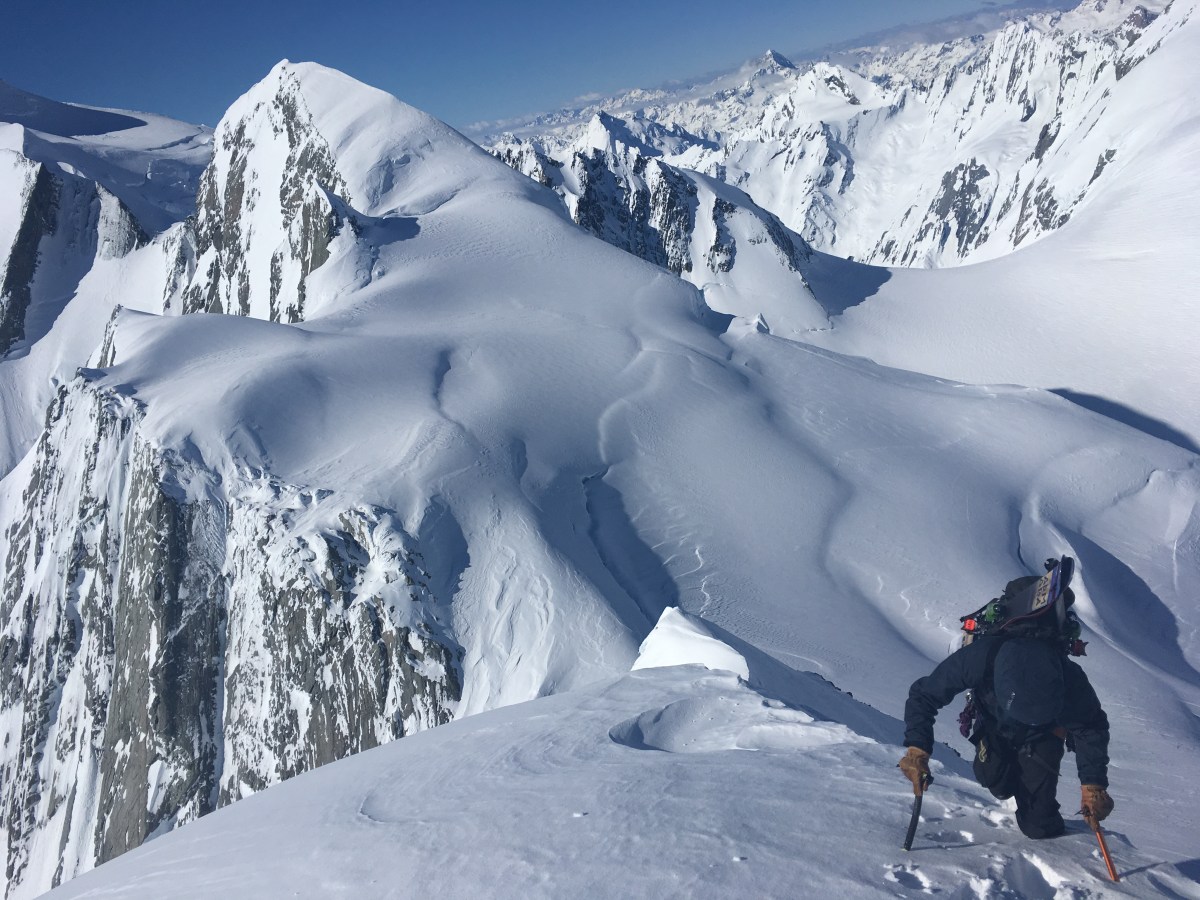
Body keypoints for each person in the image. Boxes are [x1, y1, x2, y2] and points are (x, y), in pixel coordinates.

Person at [898, 631, 1113, 839]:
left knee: (1038, 826)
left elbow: (1091, 727)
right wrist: (918, 750)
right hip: (995, 726)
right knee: (996, 782)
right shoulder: (980, 658)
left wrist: (1092, 785)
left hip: (1042, 736)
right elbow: (924, 696)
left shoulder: (1070, 677)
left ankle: (1035, 795)